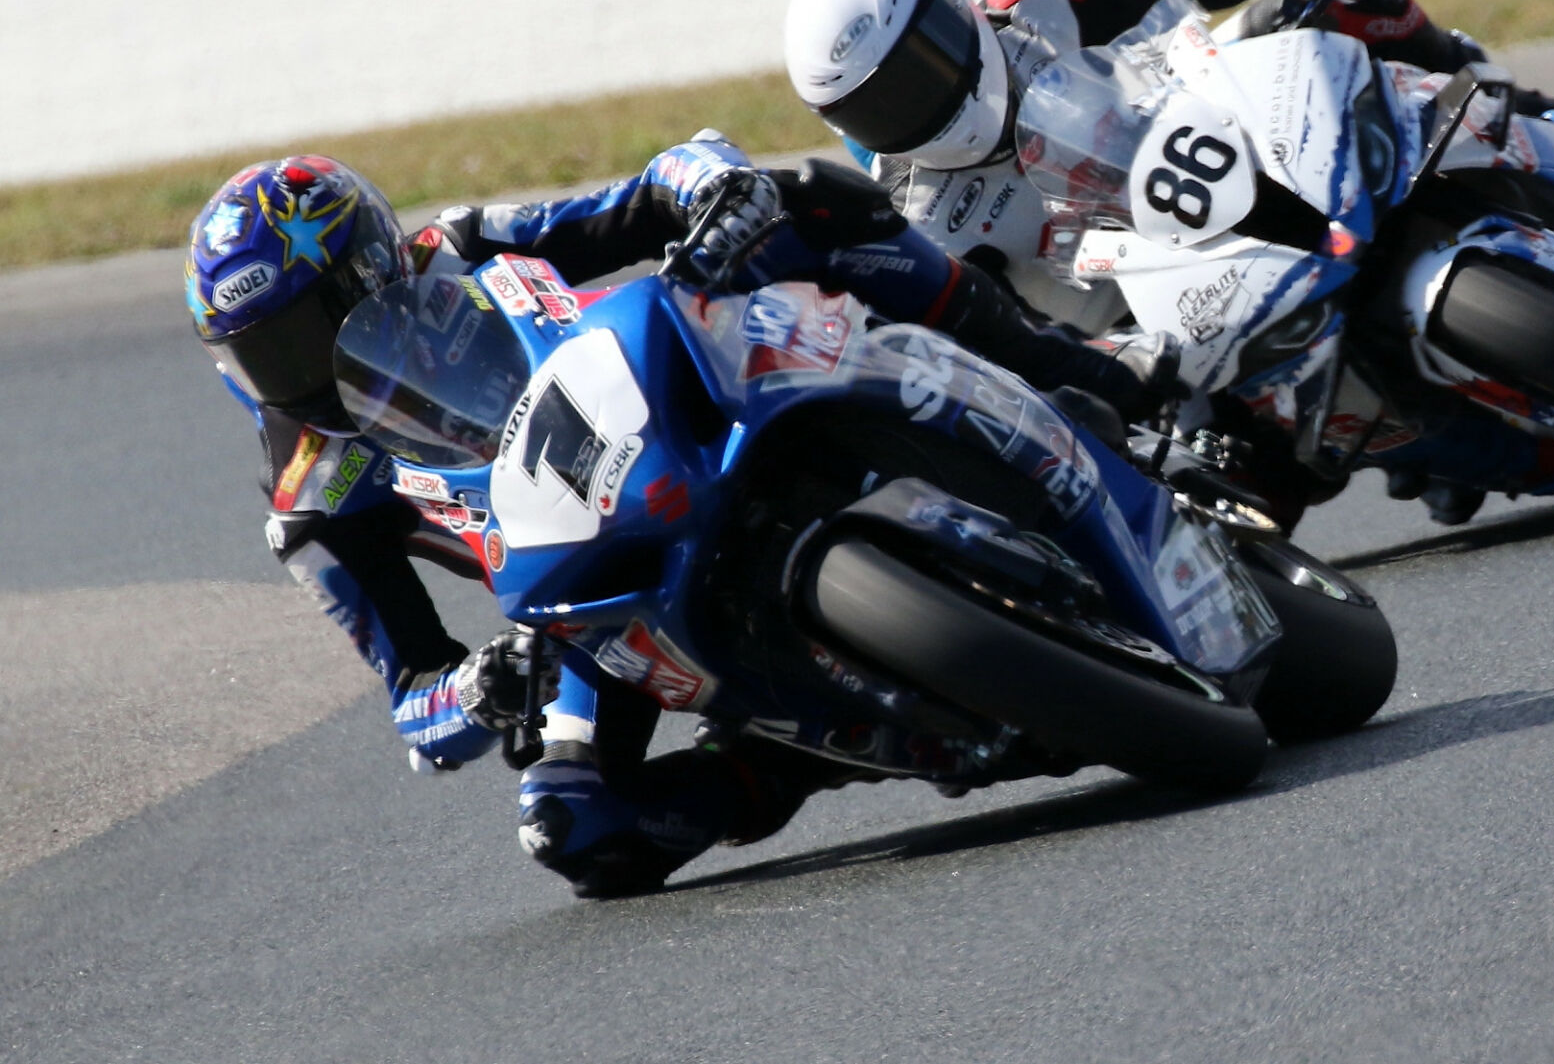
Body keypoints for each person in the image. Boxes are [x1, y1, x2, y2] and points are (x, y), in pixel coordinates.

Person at [185, 138, 1174, 898]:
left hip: (664, 417)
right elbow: (413, 697)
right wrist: (483, 688)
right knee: (577, 832)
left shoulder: (465, 246)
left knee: (814, 203)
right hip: (587, 599)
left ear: (366, 264)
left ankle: (1080, 371)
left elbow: (640, 197)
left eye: (297, 334)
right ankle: (801, 758)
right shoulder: (311, 491)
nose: (289, 377)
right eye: (256, 356)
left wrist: (713, 187)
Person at [782, 0, 1554, 527]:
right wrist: (1115, 374)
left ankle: (1551, 110)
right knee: (1233, 503)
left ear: (954, 4)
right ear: (848, 124)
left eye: (929, 56)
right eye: (888, 99)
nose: (928, 96)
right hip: (1177, 314)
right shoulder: (923, 222)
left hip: (1220, 104)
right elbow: (1001, 347)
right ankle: (1431, 448)